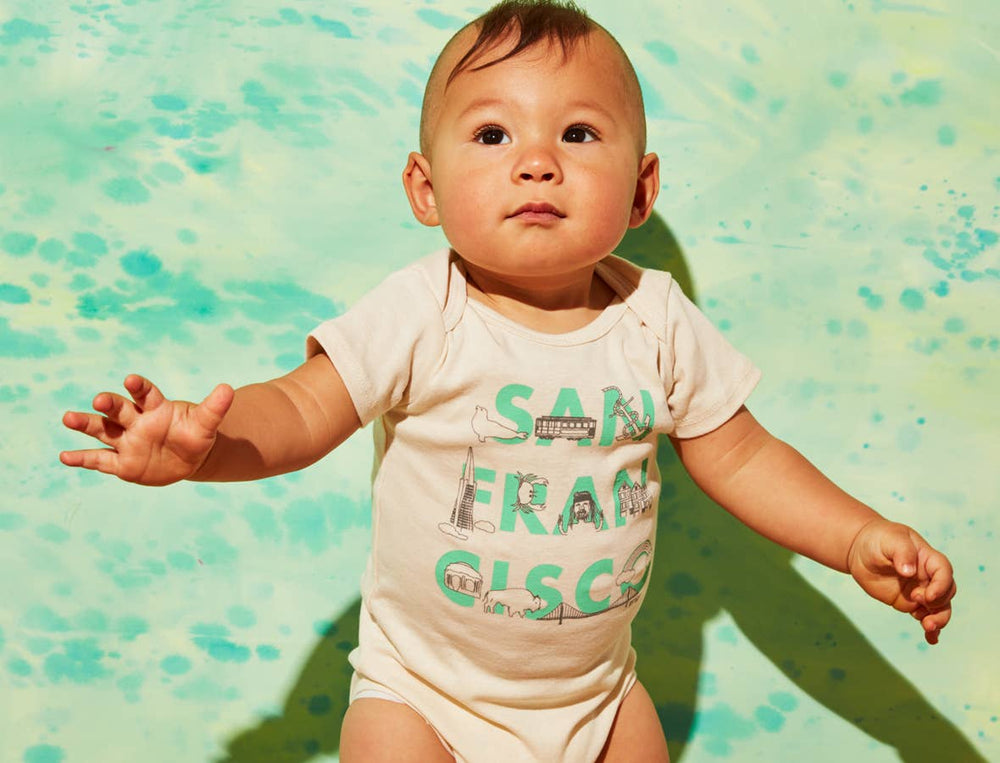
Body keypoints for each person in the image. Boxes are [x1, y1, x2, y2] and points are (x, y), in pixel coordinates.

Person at [59, 2, 957, 761]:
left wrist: (854, 537)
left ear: (641, 192)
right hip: (420, 693)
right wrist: (207, 446)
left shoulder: (656, 320)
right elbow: (301, 406)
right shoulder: (423, 311)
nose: (537, 161)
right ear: (425, 189)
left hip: (598, 696)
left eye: (578, 134)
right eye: (493, 134)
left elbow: (746, 455)